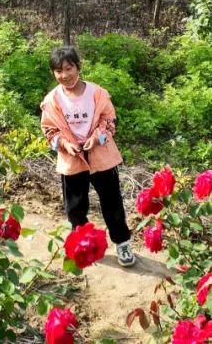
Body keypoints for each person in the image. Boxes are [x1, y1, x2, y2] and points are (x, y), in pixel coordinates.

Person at [40, 45, 138, 267]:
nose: (65, 75)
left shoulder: (97, 93)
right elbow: (49, 131)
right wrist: (64, 143)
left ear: (78, 66)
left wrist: (97, 138)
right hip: (71, 158)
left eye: (69, 68)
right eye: (59, 71)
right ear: (53, 73)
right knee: (74, 206)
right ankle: (81, 244)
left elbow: (109, 121)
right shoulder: (52, 100)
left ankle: (122, 243)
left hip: (101, 155)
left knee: (112, 202)